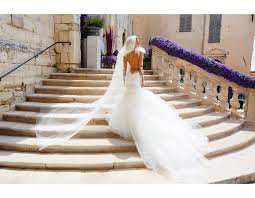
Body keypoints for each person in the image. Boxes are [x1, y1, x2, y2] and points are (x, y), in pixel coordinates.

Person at [34, 35, 209, 183]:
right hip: (136, 82)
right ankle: (137, 128)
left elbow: (123, 73)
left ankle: (131, 127)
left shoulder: (124, 56)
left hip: (129, 82)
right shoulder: (139, 54)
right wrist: (141, 81)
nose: (139, 43)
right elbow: (140, 70)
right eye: (138, 41)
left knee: (128, 105)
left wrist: (127, 83)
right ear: (136, 44)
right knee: (140, 106)